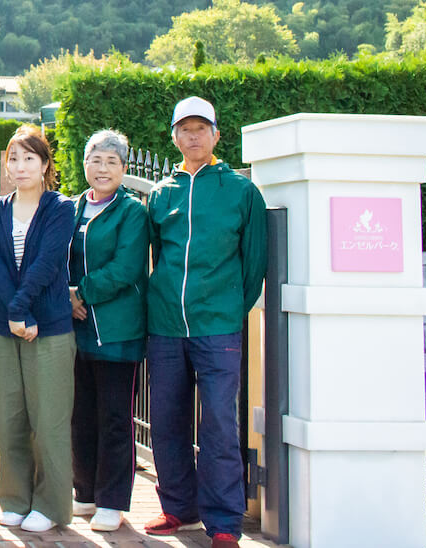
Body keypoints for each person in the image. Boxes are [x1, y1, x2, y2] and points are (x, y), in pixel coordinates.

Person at [143, 97, 266, 548]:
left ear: (216, 134)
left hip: (219, 327)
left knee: (217, 422)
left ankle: (224, 522)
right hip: (166, 327)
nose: (193, 136)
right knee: (168, 419)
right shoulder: (161, 194)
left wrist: (232, 308)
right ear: (174, 137)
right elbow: (154, 252)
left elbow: (253, 263)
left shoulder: (240, 191)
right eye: (184, 129)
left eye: (201, 128)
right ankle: (178, 507)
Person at [0, 124, 76, 534]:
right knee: (11, 418)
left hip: (49, 328)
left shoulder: (60, 208)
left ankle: (52, 504)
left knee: (49, 420)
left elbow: (48, 263)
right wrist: (15, 315)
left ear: (45, 164)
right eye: (13, 159)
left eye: (28, 159)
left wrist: (23, 309)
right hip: (5, 329)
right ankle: (14, 498)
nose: (19, 167)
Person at [67, 130, 149, 532]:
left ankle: (112, 501)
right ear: (85, 164)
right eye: (95, 160)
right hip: (75, 332)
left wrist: (81, 291)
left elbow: (126, 267)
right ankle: (84, 493)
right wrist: (65, 294)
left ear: (123, 169)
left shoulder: (131, 212)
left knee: (115, 418)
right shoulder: (72, 207)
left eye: (111, 162)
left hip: (117, 333)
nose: (102, 169)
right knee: (80, 415)